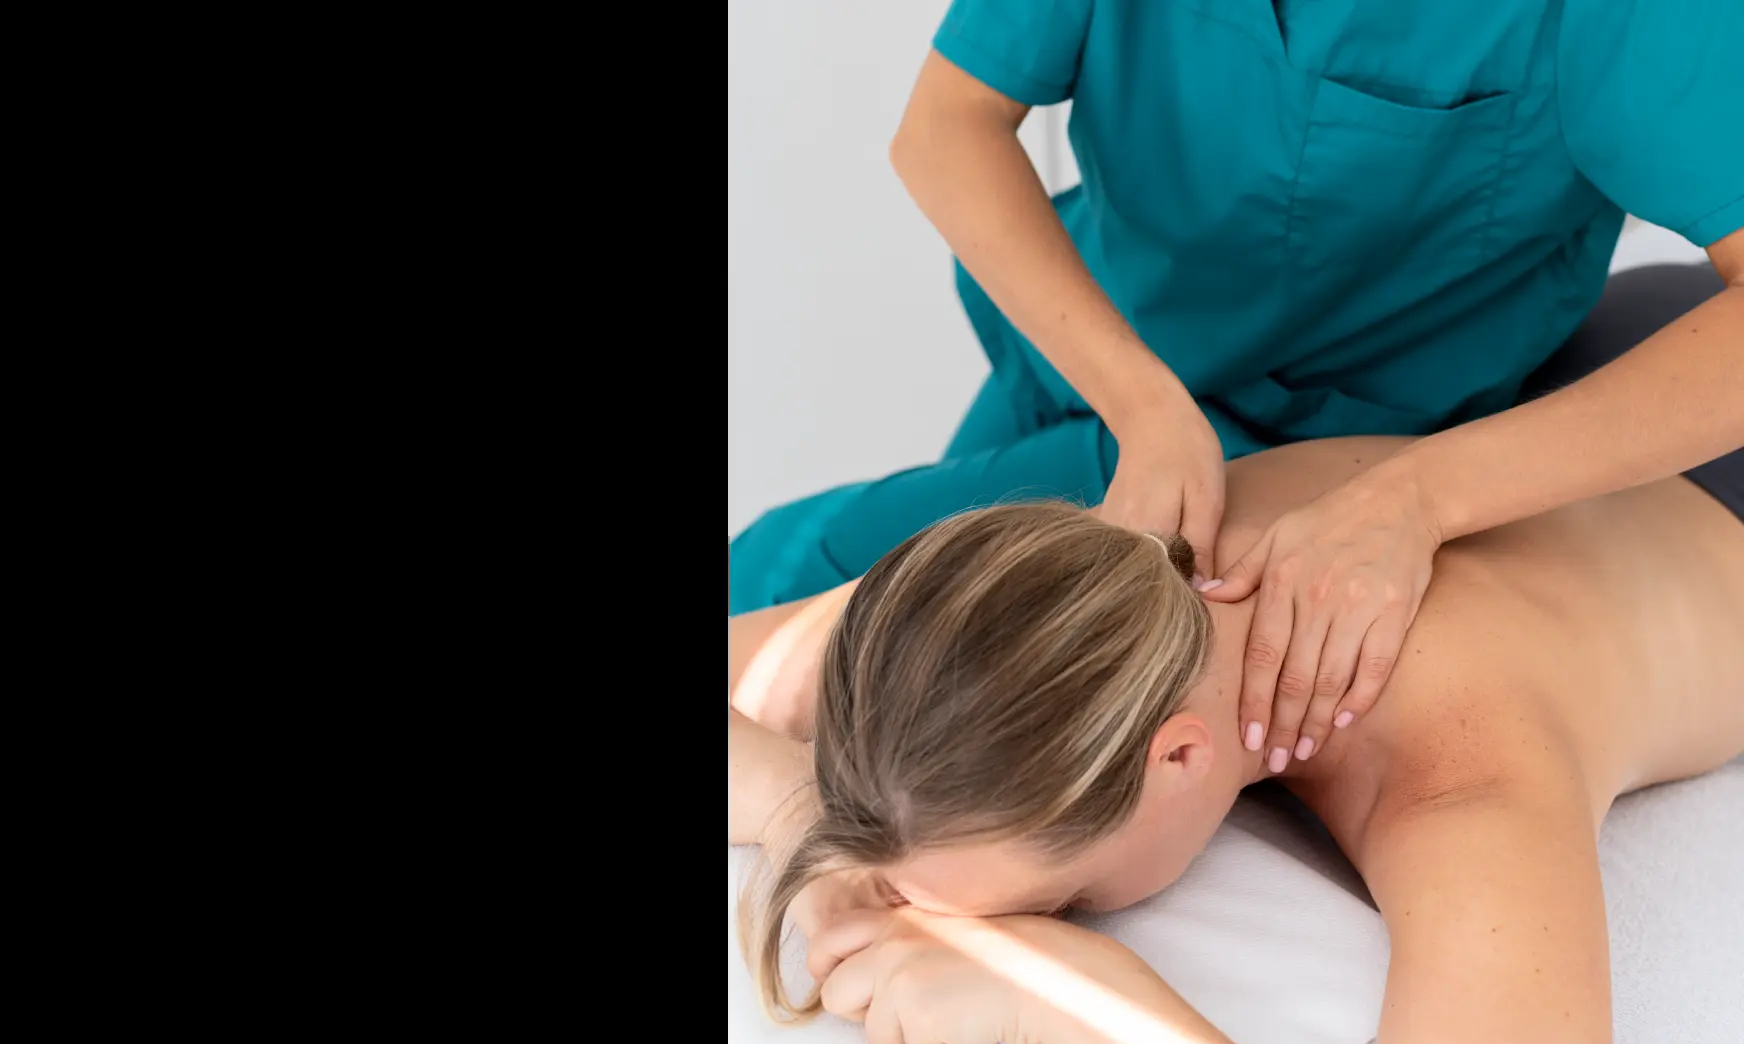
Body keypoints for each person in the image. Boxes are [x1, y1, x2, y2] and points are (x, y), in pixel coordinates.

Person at [728, 0, 1744, 779]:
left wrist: (1425, 496)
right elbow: (947, 126)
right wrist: (1140, 404)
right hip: (1089, 358)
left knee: (822, 612)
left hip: (1315, 453)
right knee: (808, 612)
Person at [727, 413, 1744, 1044]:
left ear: (1177, 756)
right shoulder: (1068, 597)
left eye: (1061, 899)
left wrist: (1084, 1004)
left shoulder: (1462, 776)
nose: (1058, 921)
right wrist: (805, 814)